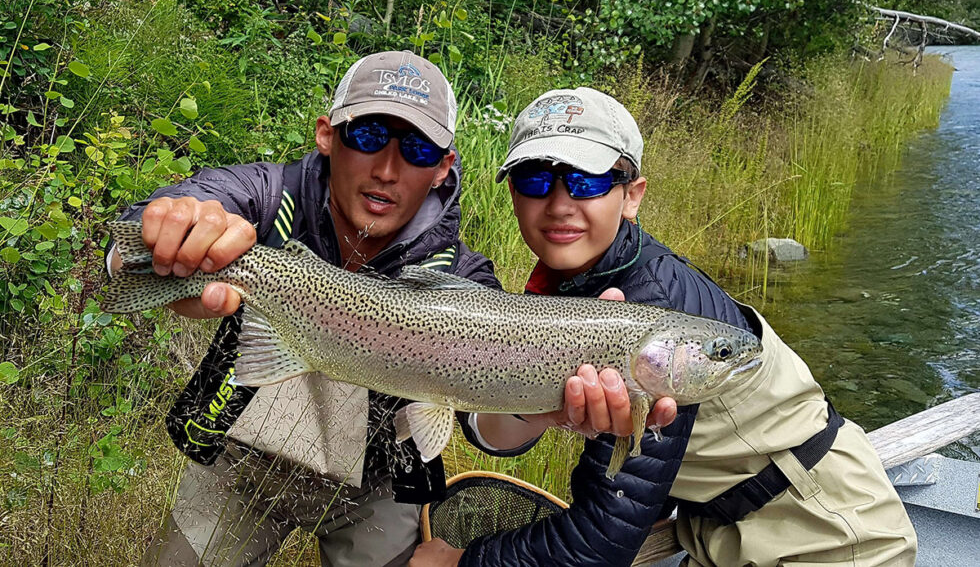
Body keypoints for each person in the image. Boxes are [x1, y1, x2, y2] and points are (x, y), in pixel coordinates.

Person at [114, 52, 669, 567]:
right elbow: (166, 219)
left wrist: (542, 410)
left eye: (419, 150)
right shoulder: (266, 197)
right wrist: (164, 235)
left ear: (444, 168)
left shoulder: (463, 280)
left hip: (379, 482)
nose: (387, 168)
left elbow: (482, 424)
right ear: (328, 135)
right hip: (241, 461)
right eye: (370, 135)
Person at [410, 87, 917, 567]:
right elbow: (508, 423)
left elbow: (599, 543)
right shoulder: (581, 285)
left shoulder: (650, 317)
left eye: (587, 180)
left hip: (833, 542)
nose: (559, 203)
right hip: (729, 537)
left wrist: (460, 560)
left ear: (632, 195)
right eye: (535, 180)